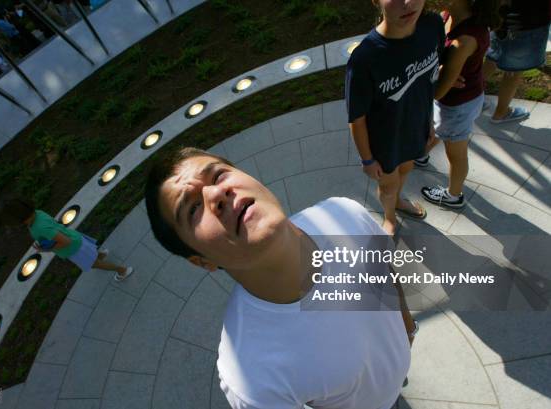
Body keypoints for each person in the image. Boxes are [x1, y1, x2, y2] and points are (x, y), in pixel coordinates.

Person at [144, 147, 417, 409]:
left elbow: (386, 273)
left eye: (218, 175)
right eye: (192, 209)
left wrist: (407, 328)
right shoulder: (251, 378)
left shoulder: (345, 214)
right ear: (201, 260)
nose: (217, 193)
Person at [345, 0, 445, 235]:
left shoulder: (432, 26)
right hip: (384, 143)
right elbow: (356, 119)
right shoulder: (364, 60)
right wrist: (368, 160)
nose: (408, 3)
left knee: (407, 168)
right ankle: (389, 217)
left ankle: (398, 200)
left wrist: (429, 121)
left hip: (415, 128)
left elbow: (428, 80)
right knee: (388, 185)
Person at [419, 0, 501, 208]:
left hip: (457, 105)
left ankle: (453, 195)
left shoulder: (464, 40)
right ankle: (421, 154)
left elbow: (439, 91)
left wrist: (436, 76)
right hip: (459, 99)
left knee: (456, 152)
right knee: (440, 128)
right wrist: (441, 71)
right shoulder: (449, 15)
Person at [0, 198, 134, 281]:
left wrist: (45, 248)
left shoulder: (39, 228)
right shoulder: (38, 213)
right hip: (74, 237)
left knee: (93, 264)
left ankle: (121, 270)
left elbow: (65, 242)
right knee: (90, 252)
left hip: (73, 248)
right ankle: (101, 254)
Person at [482, 0, 550, 123]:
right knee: (513, 72)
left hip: (501, 20)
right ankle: (501, 112)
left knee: (491, 59)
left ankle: (472, 97)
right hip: (524, 24)